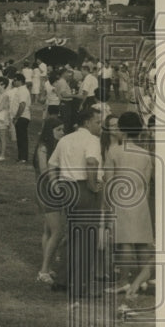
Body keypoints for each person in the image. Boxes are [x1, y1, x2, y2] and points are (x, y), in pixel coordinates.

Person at [48, 105, 103, 299]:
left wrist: (56, 185)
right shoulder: (92, 140)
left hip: (67, 188)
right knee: (87, 238)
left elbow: (51, 164)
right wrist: (93, 184)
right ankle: (81, 286)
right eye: (98, 122)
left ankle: (62, 280)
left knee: (71, 236)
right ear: (87, 122)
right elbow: (91, 162)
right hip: (83, 188)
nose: (100, 126)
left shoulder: (65, 139)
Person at [102, 111, 154, 301]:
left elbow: (109, 180)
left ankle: (123, 280)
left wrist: (107, 205)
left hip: (120, 200)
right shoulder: (145, 154)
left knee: (124, 242)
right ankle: (142, 280)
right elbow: (147, 183)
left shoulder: (115, 151)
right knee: (141, 242)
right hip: (141, 200)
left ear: (122, 130)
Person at [33, 116, 67, 286]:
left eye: (63, 129)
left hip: (53, 190)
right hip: (47, 190)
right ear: (50, 130)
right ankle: (44, 270)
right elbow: (44, 171)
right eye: (58, 130)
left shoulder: (56, 146)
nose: (62, 133)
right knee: (57, 231)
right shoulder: (43, 147)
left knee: (48, 230)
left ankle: (48, 266)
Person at [11, 75, 32, 163]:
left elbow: (22, 104)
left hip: (22, 117)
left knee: (22, 137)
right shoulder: (20, 90)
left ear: (20, 81)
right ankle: (21, 157)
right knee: (19, 137)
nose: (14, 82)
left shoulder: (23, 90)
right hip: (21, 116)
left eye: (15, 80)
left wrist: (16, 117)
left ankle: (23, 157)